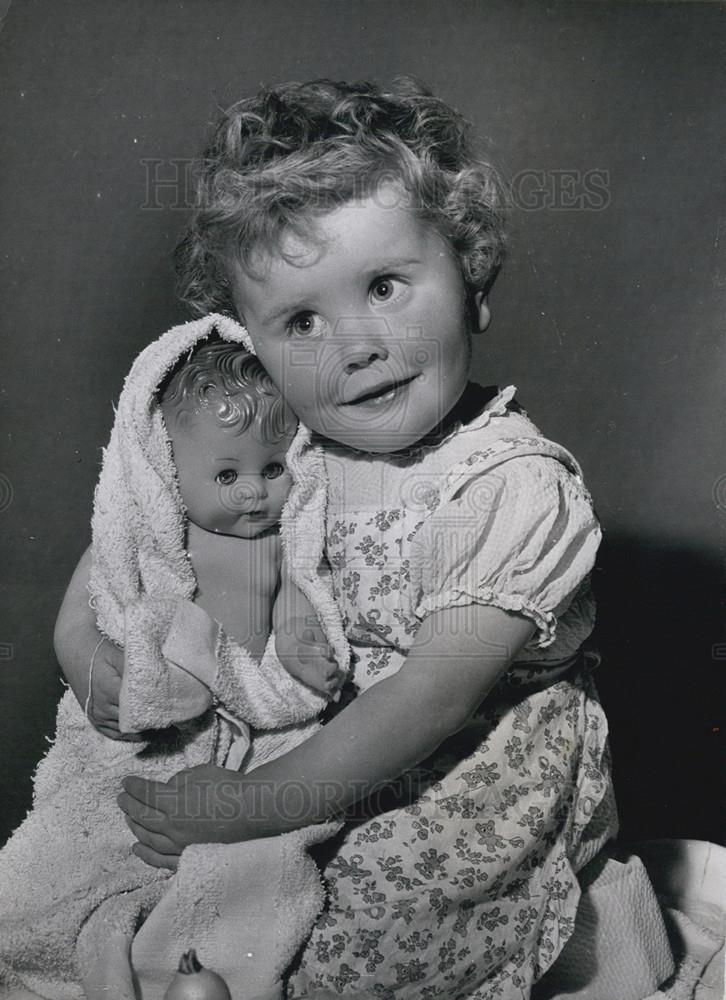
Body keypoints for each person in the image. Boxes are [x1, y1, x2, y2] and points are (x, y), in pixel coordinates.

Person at [58, 79, 673, 998]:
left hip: (465, 774)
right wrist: (82, 646)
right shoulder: (285, 443)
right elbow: (138, 529)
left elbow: (429, 697)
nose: (355, 344)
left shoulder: (508, 487)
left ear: (471, 279)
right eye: (301, 320)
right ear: (248, 344)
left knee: (361, 944)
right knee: (140, 889)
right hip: (311, 748)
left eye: (385, 286)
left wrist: (249, 811)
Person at [0, 332, 345, 999]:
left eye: (273, 469)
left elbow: (296, 607)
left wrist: (301, 646)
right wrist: (88, 663)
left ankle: (188, 968)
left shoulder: (283, 543)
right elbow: (83, 614)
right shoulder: (145, 535)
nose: (252, 493)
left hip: (238, 735)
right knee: (74, 851)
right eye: (226, 474)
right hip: (152, 735)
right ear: (167, 466)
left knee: (241, 871)